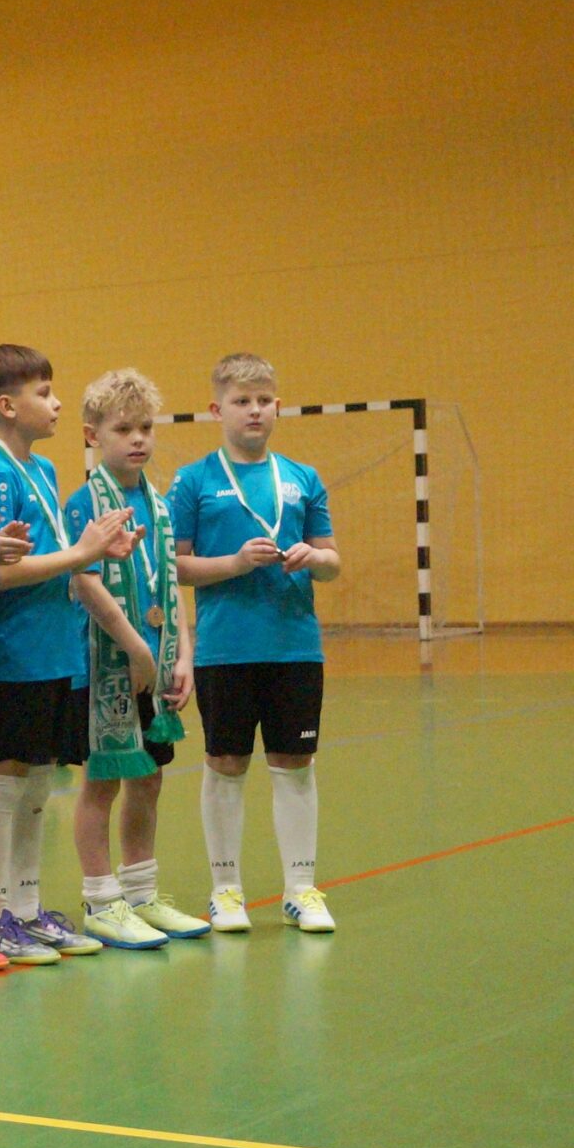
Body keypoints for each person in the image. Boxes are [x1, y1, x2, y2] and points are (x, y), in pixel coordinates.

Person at [0, 344, 132, 963]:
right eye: (44, 393)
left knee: (38, 780)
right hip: (12, 653)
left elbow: (54, 556)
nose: (57, 403)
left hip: (56, 649)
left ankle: (27, 910)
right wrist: (80, 554)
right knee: (5, 778)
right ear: (8, 406)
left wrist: (96, 550)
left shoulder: (43, 469)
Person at [171, 353, 340, 934]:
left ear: (278, 407)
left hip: (295, 647)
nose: (254, 411)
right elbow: (175, 566)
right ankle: (225, 891)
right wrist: (235, 563)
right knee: (226, 763)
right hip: (225, 649)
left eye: (264, 400)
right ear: (217, 410)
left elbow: (332, 561)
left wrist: (314, 557)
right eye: (242, 401)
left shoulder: (302, 477)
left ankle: (300, 888)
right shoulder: (193, 481)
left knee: (295, 763)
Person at [65, 370, 209, 946]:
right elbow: (84, 581)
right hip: (106, 663)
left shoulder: (160, 505)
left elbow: (170, 583)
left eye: (145, 427)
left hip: (156, 661)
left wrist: (184, 654)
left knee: (148, 778)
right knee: (103, 782)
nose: (138, 439)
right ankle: (102, 900)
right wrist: (135, 647)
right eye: (123, 429)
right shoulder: (85, 503)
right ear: (93, 435)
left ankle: (142, 893)